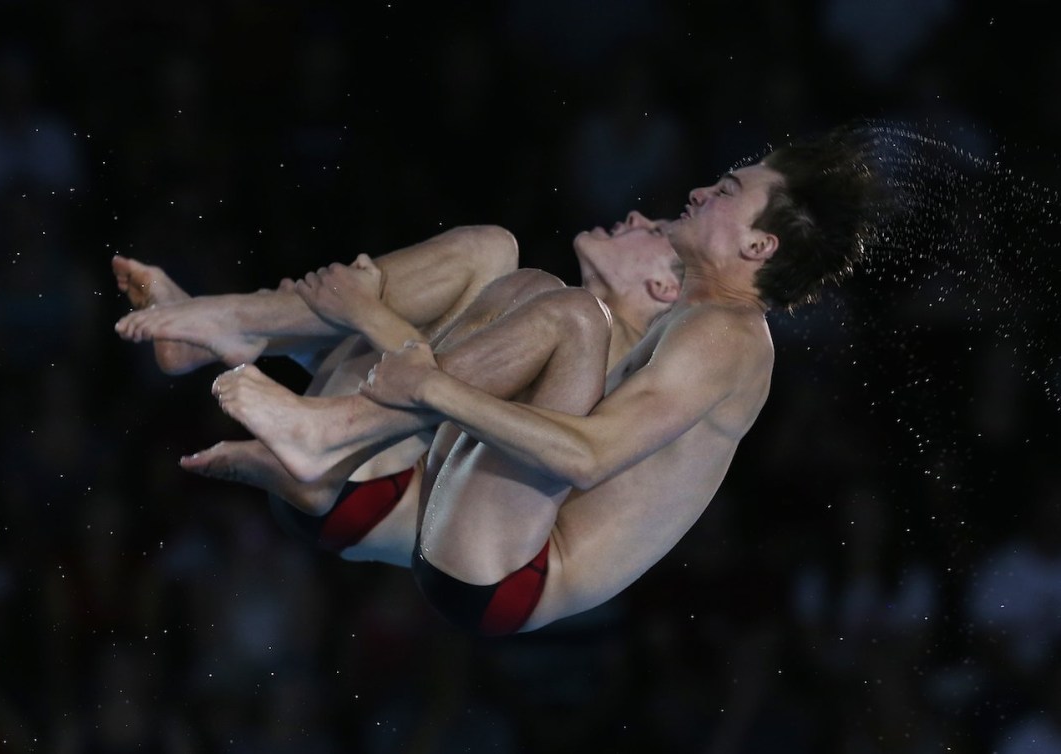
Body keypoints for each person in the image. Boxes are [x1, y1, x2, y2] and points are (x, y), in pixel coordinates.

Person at [207, 126, 884, 636]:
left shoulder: (726, 335)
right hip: (478, 535)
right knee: (529, 286)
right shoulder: (698, 323)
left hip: (514, 574)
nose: (704, 189)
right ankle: (269, 355)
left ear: (757, 247)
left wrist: (427, 383)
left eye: (728, 191)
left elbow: (587, 457)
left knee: (566, 314)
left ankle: (325, 424)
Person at [113, 212, 684, 564]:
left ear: (662, 286)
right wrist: (327, 328)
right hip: (356, 468)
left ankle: (241, 325)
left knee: (499, 260)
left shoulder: (601, 359)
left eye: (654, 231)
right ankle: (237, 327)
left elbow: (450, 415)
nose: (636, 215)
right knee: (495, 254)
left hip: (365, 489)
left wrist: (364, 313)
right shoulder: (561, 317)